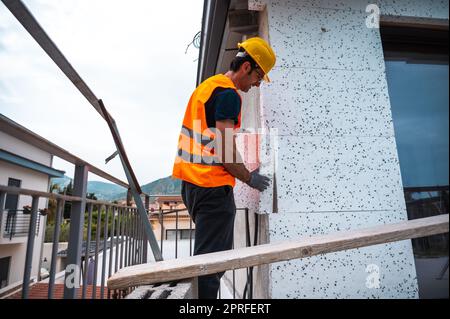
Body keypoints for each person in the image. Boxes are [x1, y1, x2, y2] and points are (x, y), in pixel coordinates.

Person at [172, 37, 276, 298]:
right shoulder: (229, 95)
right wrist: (248, 177)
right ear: (246, 68)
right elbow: (226, 151)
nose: (257, 84)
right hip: (212, 189)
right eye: (258, 77)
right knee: (211, 267)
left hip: (192, 186)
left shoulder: (208, 86)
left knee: (205, 261)